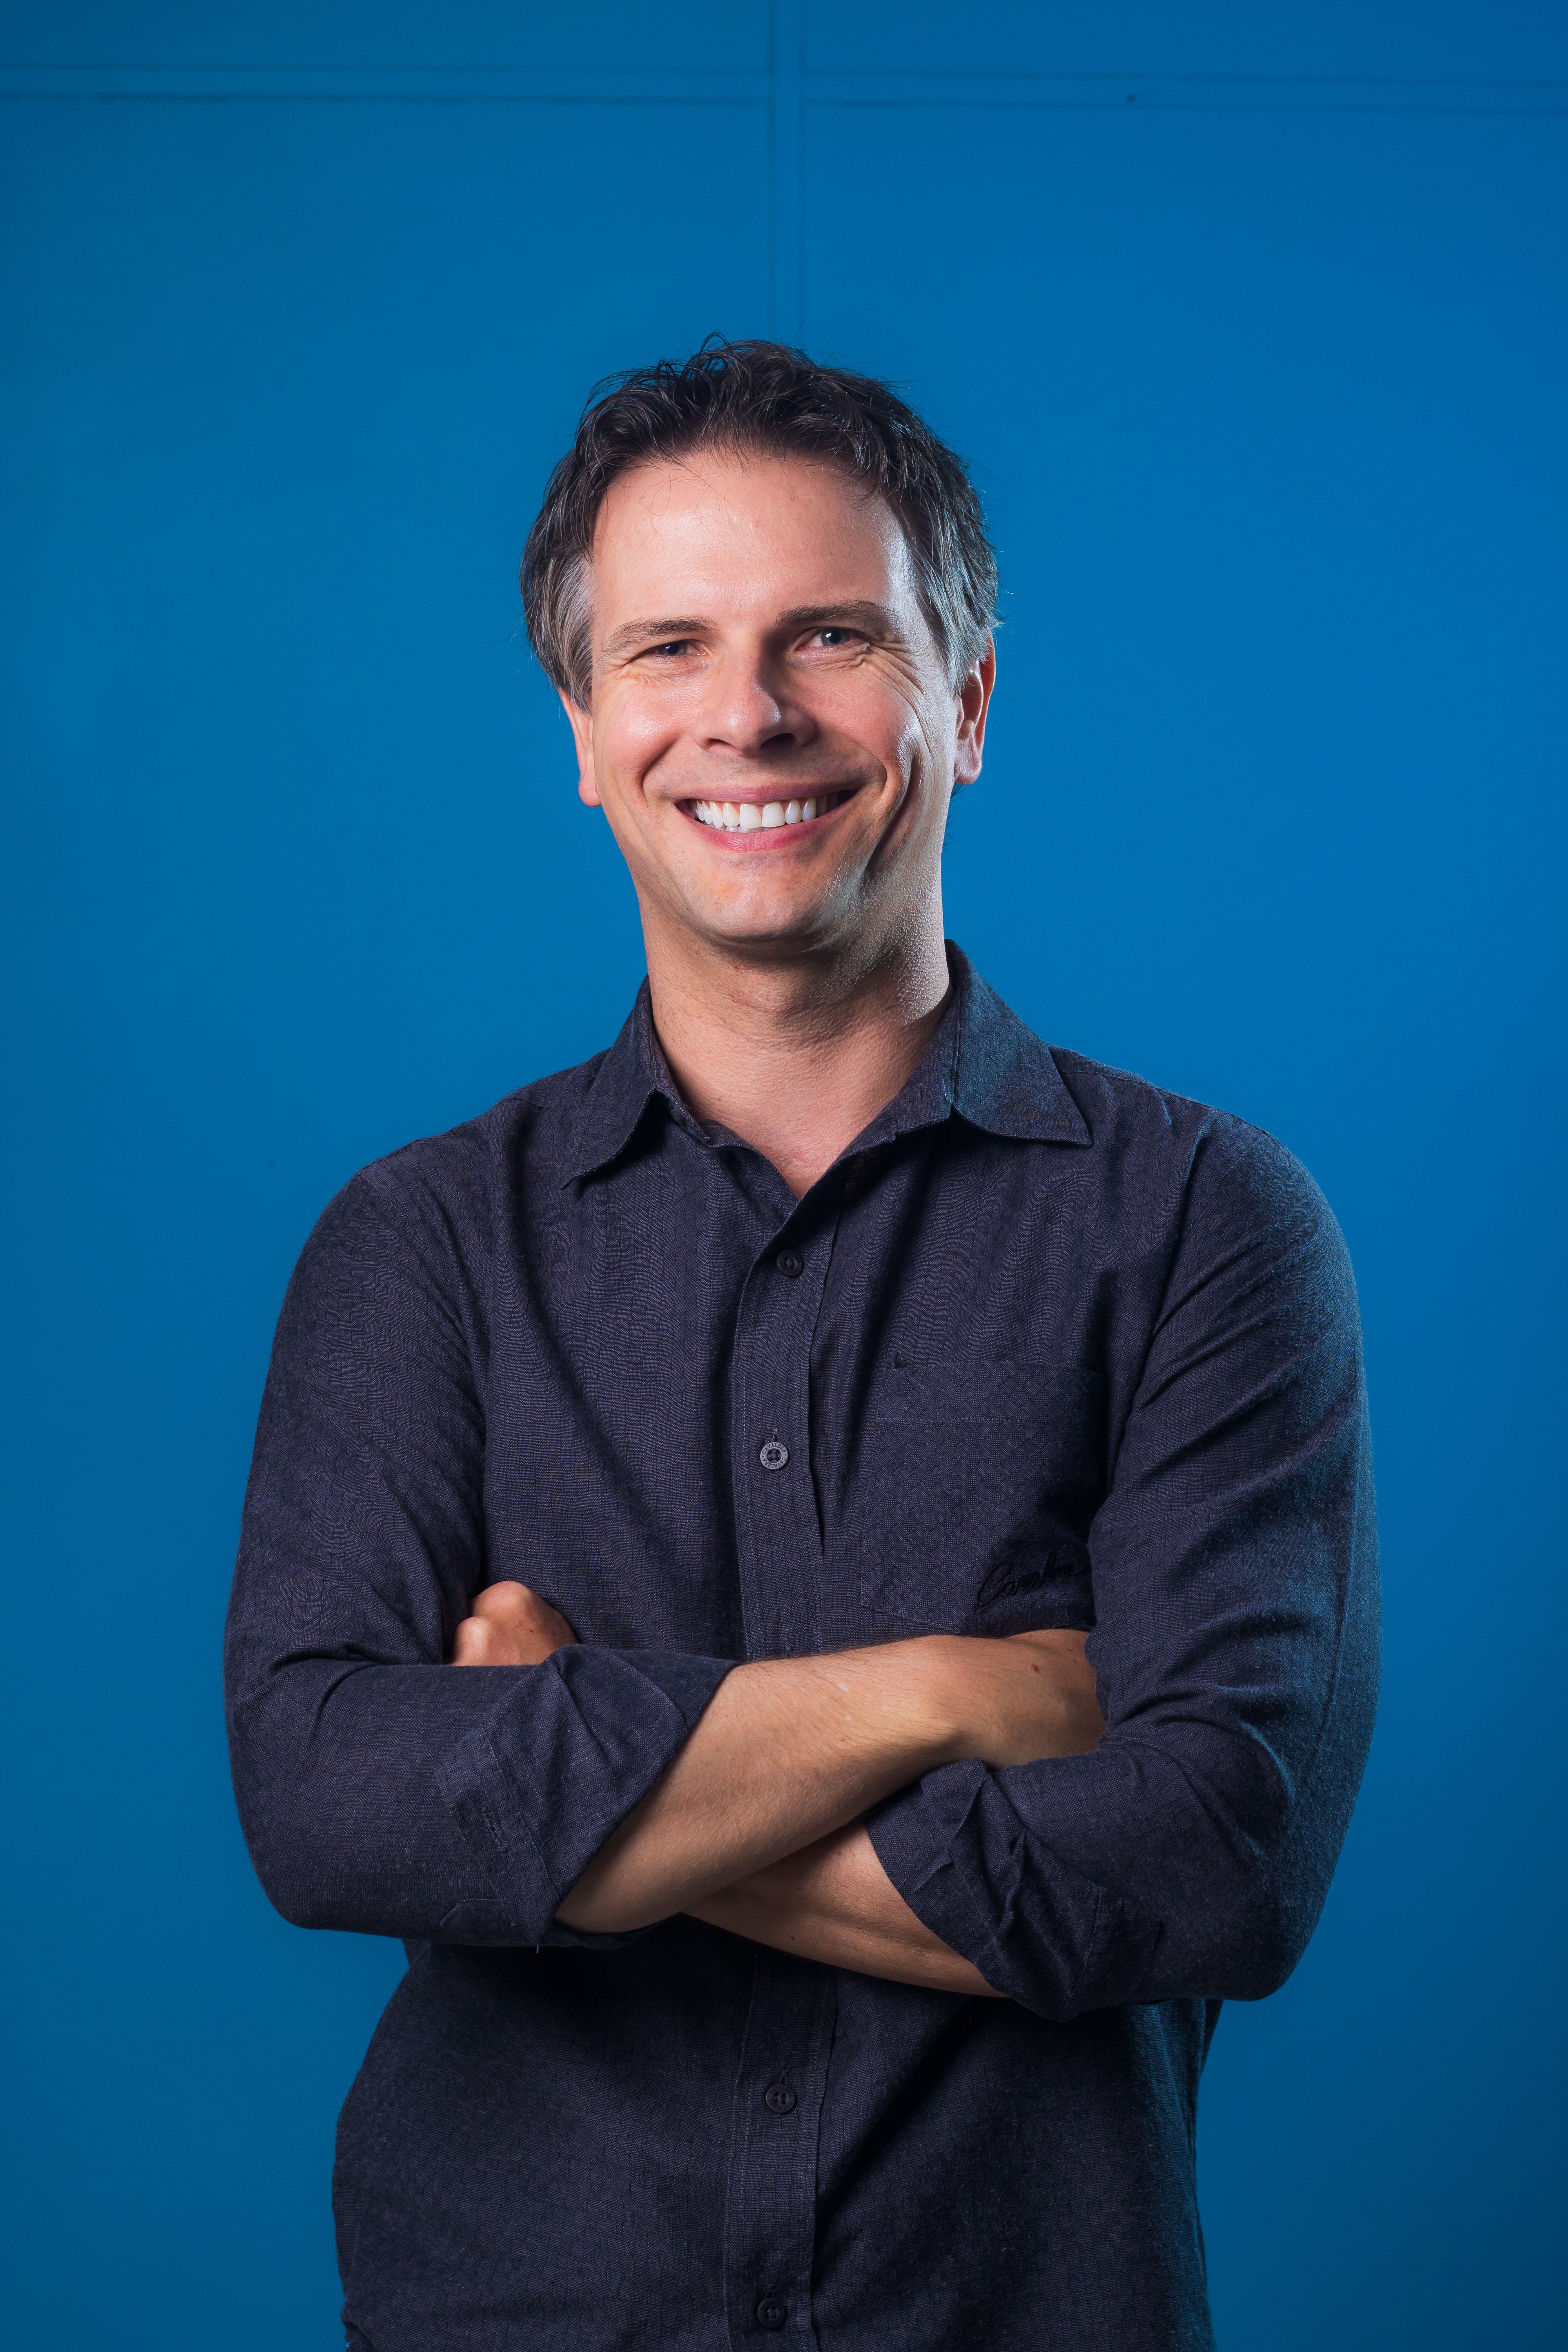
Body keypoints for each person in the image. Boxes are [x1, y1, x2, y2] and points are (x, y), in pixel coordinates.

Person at [225, 340, 1379, 2352]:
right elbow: (331, 1805)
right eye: (667, 648)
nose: (745, 714)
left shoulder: (1202, 1223)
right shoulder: (420, 1247)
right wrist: (950, 1694)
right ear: (584, 732)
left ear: (968, 702)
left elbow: (1219, 1862)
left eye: (830, 636)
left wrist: (568, 1763)